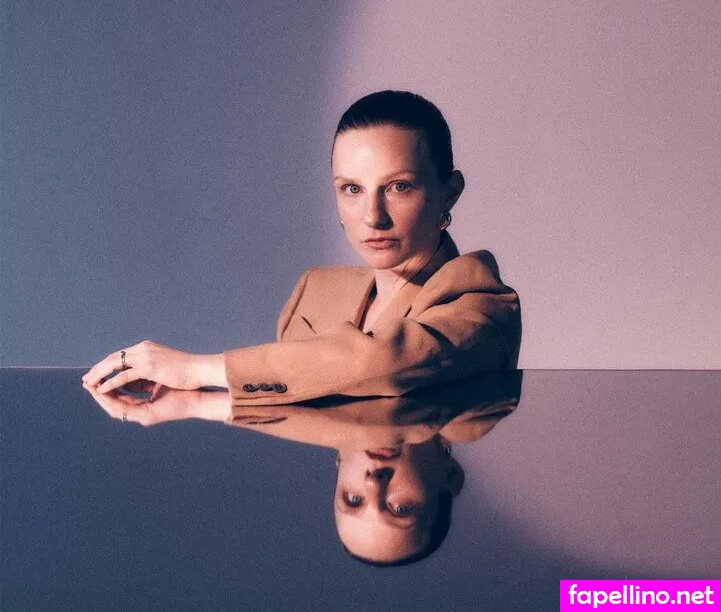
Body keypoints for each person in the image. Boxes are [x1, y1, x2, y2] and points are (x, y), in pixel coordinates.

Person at [82, 91, 521, 406]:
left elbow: (388, 362)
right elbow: (294, 403)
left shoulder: (481, 302)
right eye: (352, 189)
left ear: (449, 193)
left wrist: (195, 371)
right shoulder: (314, 291)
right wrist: (188, 404)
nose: (372, 216)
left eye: (398, 187)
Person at [87, 369, 522, 565]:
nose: (374, 484)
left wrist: (193, 400)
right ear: (450, 477)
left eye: (353, 499)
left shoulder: (305, 321)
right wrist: (196, 377)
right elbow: (391, 359)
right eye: (399, 508)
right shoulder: (490, 406)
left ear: (337, 463)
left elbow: (316, 367)